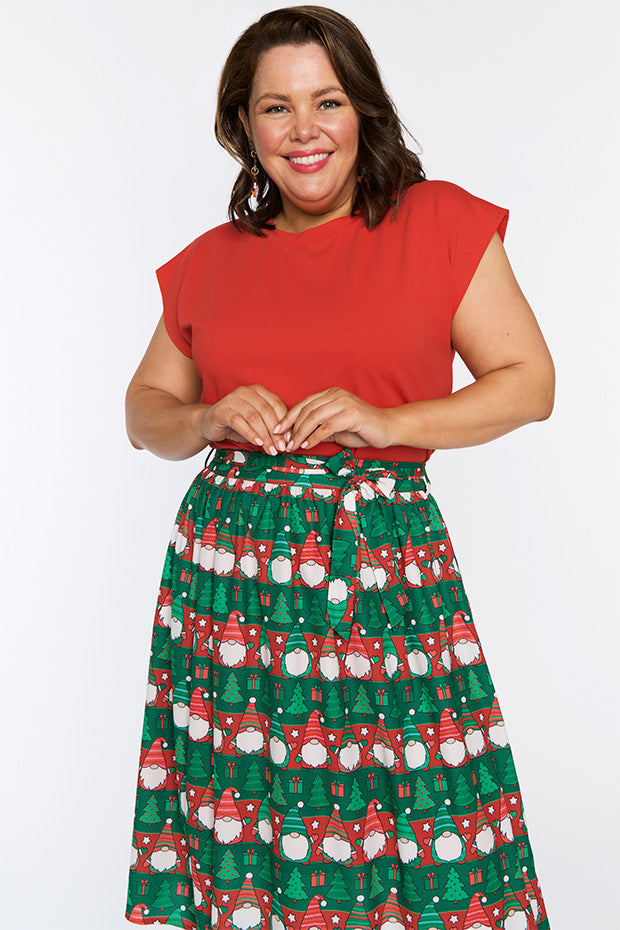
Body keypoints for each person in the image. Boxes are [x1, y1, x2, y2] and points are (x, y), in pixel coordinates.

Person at [124, 7, 555, 930]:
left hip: (383, 570)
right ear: (244, 126)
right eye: (275, 107)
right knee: (245, 818)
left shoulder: (438, 222)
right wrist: (204, 417)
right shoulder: (208, 263)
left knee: (422, 812)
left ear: (364, 109)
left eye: (327, 101)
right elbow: (143, 413)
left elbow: (530, 384)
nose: (303, 129)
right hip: (232, 589)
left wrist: (389, 421)